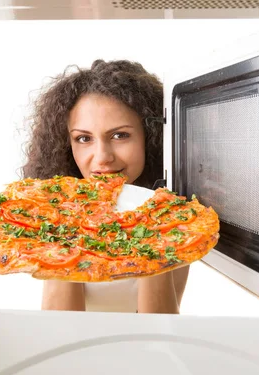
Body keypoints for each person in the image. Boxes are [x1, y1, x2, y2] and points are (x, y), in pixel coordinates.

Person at [20, 59, 189, 314]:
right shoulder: (51, 214)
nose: (102, 157)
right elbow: (62, 328)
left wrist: (155, 229)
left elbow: (159, 330)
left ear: (152, 137)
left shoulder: (178, 216)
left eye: (120, 135)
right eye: (84, 138)